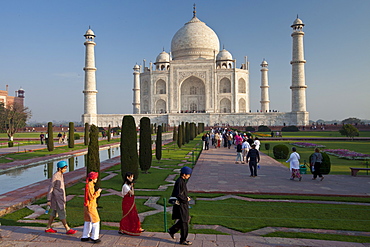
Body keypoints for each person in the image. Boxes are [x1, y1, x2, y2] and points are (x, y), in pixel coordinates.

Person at [45, 161, 77, 235]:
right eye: (64, 168)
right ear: (60, 168)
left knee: (53, 213)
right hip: (57, 198)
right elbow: (51, 188)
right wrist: (48, 200)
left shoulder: (61, 175)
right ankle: (67, 228)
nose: (65, 170)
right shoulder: (55, 176)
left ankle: (48, 227)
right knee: (62, 212)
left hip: (60, 197)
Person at [168, 166, 192, 245]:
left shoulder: (181, 181)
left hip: (182, 204)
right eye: (188, 174)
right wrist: (186, 199)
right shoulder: (179, 182)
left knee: (183, 220)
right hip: (181, 204)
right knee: (184, 222)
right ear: (184, 174)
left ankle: (172, 230)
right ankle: (183, 240)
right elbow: (178, 194)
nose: (189, 176)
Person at [81, 172, 102, 243]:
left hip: (86, 205)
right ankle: (94, 237)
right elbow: (91, 197)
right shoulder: (90, 186)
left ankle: (85, 236)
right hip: (91, 206)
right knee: (96, 221)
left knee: (88, 221)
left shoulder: (88, 185)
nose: (96, 179)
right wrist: (98, 192)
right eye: (96, 178)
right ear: (93, 179)